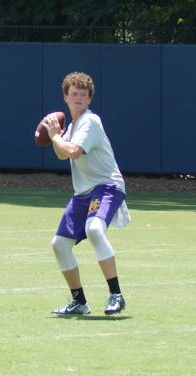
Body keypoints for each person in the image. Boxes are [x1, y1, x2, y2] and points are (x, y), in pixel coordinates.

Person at [43, 71, 130, 315]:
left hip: (106, 186)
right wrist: (56, 137)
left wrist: (54, 136)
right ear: (66, 97)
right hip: (83, 193)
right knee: (59, 244)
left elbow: (73, 152)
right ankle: (79, 301)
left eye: (83, 94)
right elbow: (62, 152)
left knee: (94, 229)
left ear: (90, 99)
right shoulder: (72, 126)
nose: (78, 98)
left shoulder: (90, 121)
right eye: (74, 94)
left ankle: (116, 295)